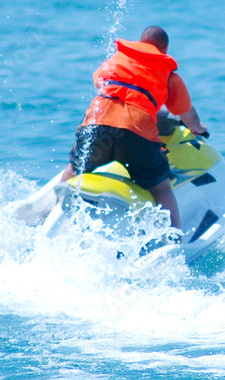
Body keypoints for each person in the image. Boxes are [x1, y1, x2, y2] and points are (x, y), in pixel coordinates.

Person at [60, 26, 208, 231]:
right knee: (162, 187)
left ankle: (52, 213)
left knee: (73, 169)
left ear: (140, 42)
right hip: (135, 133)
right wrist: (198, 128)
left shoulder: (117, 59)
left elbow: (104, 84)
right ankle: (175, 237)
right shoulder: (169, 75)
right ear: (164, 50)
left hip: (96, 126)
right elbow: (188, 115)